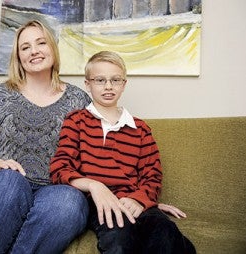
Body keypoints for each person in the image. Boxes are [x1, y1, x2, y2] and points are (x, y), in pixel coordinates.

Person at [0, 20, 92, 254]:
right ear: (18, 56)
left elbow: (91, 161)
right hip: (4, 184)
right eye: (25, 47)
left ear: (52, 48)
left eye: (41, 43)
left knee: (69, 202)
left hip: (56, 189)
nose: (34, 51)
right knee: (8, 181)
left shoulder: (79, 100)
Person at [50, 51, 196, 253]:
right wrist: (95, 185)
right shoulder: (76, 121)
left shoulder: (140, 128)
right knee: (119, 239)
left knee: (165, 232)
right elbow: (60, 168)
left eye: (115, 80)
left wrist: (139, 199)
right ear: (87, 84)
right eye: (100, 80)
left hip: (135, 200)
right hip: (98, 204)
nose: (108, 86)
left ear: (124, 84)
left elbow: (152, 175)